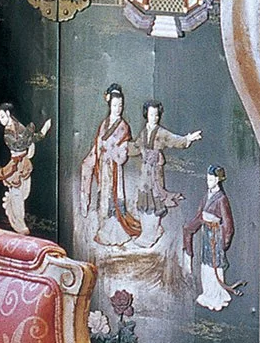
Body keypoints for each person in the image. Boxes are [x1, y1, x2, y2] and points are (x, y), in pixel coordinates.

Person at [76, 85, 141, 243]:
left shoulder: (124, 127)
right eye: (114, 105)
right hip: (103, 165)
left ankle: (116, 233)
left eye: (120, 105)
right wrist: (97, 155)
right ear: (109, 105)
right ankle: (104, 229)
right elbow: (98, 144)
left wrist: (112, 150)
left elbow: (123, 153)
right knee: (103, 196)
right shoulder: (103, 124)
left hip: (113, 167)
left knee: (113, 198)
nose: (117, 108)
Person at [0, 106, 48, 235]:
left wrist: (43, 131)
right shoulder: (7, 132)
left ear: (8, 113)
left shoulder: (18, 125)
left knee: (24, 192)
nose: (1, 120)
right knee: (17, 192)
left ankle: (18, 217)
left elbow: (30, 139)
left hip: (23, 161)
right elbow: (18, 145)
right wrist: (30, 133)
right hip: (16, 162)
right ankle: (19, 222)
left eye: (2, 116)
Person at [132, 98, 201, 218]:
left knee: (157, 186)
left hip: (155, 165)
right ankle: (146, 206)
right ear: (146, 115)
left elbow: (173, 139)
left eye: (156, 115)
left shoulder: (161, 132)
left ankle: (158, 207)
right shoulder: (143, 132)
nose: (154, 117)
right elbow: (136, 146)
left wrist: (188, 139)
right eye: (151, 114)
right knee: (144, 185)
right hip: (145, 166)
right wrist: (123, 147)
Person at [195, 168, 239, 311]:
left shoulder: (221, 199)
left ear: (218, 180)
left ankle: (216, 295)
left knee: (214, 264)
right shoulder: (206, 196)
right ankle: (207, 292)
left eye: (212, 179)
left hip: (215, 234)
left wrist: (225, 241)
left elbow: (228, 223)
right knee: (205, 263)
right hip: (206, 232)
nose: (209, 182)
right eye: (208, 179)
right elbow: (200, 214)